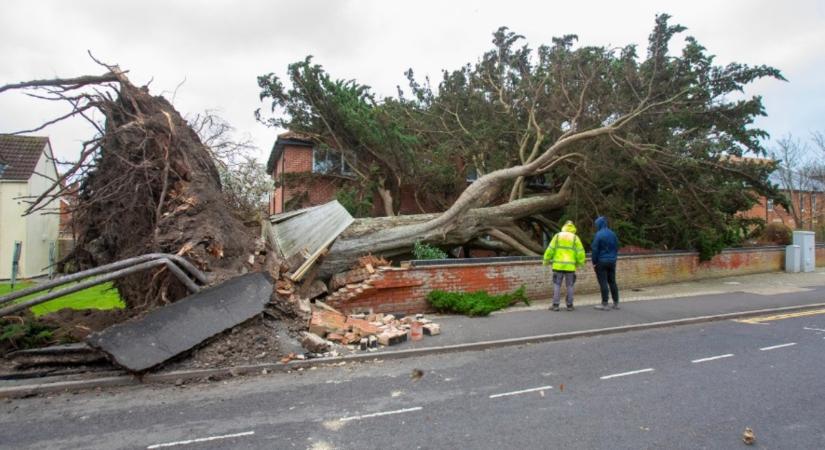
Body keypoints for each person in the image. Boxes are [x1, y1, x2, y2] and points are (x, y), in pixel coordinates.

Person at [543, 220, 586, 311]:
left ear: (564, 226)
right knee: (570, 285)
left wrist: (546, 260)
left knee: (557, 285)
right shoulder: (575, 238)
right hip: (570, 267)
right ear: (573, 227)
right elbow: (580, 252)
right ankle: (570, 306)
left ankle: (555, 305)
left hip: (558, 266)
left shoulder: (558, 236)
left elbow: (550, 249)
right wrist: (579, 263)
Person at [591, 216, 620, 310]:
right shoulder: (613, 234)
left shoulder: (598, 235)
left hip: (601, 261)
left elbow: (595, 249)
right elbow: (616, 246)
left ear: (599, 224)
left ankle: (605, 303)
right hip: (612, 261)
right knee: (612, 282)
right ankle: (616, 302)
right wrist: (614, 258)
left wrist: (594, 262)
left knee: (603, 282)